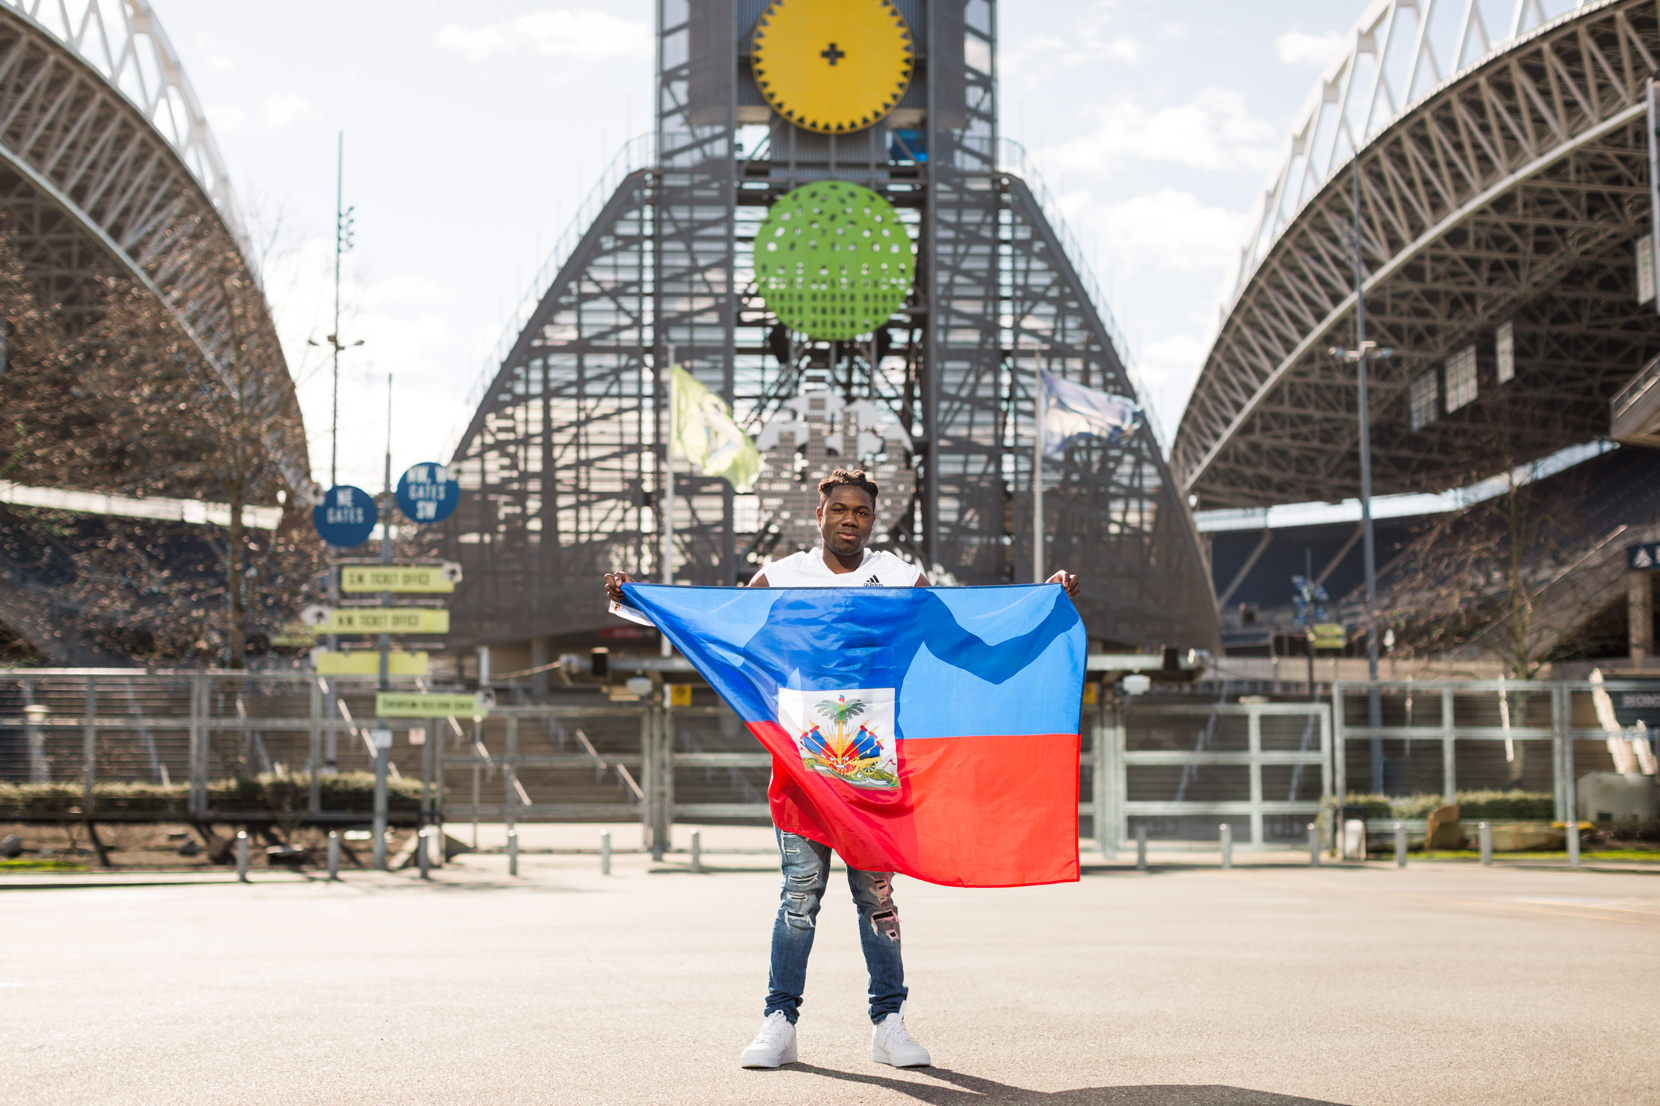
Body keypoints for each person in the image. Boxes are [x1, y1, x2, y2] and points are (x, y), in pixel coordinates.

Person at [603, 468, 1080, 1071]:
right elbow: (718, 631)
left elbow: (968, 646)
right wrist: (638, 605)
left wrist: (1045, 601)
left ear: (872, 520)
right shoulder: (780, 578)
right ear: (820, 515)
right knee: (799, 896)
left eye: (861, 511)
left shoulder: (902, 580)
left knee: (876, 896)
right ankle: (779, 1020)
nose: (850, 519)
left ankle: (889, 1023)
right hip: (805, 764)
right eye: (840, 509)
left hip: (872, 763)